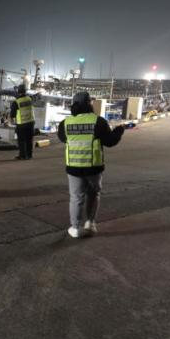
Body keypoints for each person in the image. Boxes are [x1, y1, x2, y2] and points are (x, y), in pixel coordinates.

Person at [58, 92, 124, 238]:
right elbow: (110, 141)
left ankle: (75, 228)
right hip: (93, 167)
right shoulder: (98, 121)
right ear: (88, 104)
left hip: (74, 168)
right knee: (93, 194)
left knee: (76, 197)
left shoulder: (65, 123)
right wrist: (119, 131)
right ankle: (90, 223)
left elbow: (62, 138)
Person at [10, 84, 35, 160]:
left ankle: (23, 155)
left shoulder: (16, 102)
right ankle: (29, 155)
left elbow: (12, 115)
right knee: (29, 139)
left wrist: (11, 121)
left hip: (22, 124)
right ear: (25, 91)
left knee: (21, 140)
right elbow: (36, 97)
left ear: (18, 91)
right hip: (30, 122)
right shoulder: (30, 99)